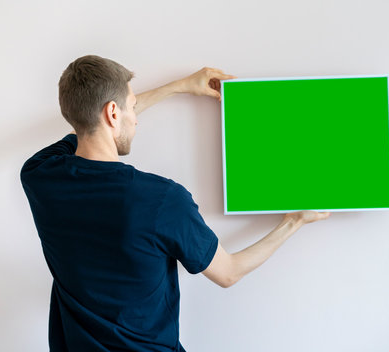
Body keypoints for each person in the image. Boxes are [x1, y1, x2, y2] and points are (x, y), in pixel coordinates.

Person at [20, 55, 330, 352]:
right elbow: (228, 272)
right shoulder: (160, 200)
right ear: (113, 113)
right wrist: (294, 221)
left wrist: (178, 86)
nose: (137, 119)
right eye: (133, 106)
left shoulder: (40, 176)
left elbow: (87, 124)